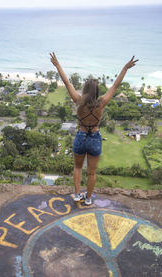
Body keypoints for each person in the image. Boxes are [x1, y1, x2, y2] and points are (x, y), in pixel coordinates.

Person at [50, 52, 138, 205]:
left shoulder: (79, 101)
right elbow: (116, 85)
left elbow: (67, 83)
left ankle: (77, 194)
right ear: (97, 91)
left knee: (77, 167)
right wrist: (125, 68)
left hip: (81, 136)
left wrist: (57, 65)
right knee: (92, 172)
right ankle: (88, 198)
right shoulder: (101, 103)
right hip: (95, 138)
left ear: (84, 90)